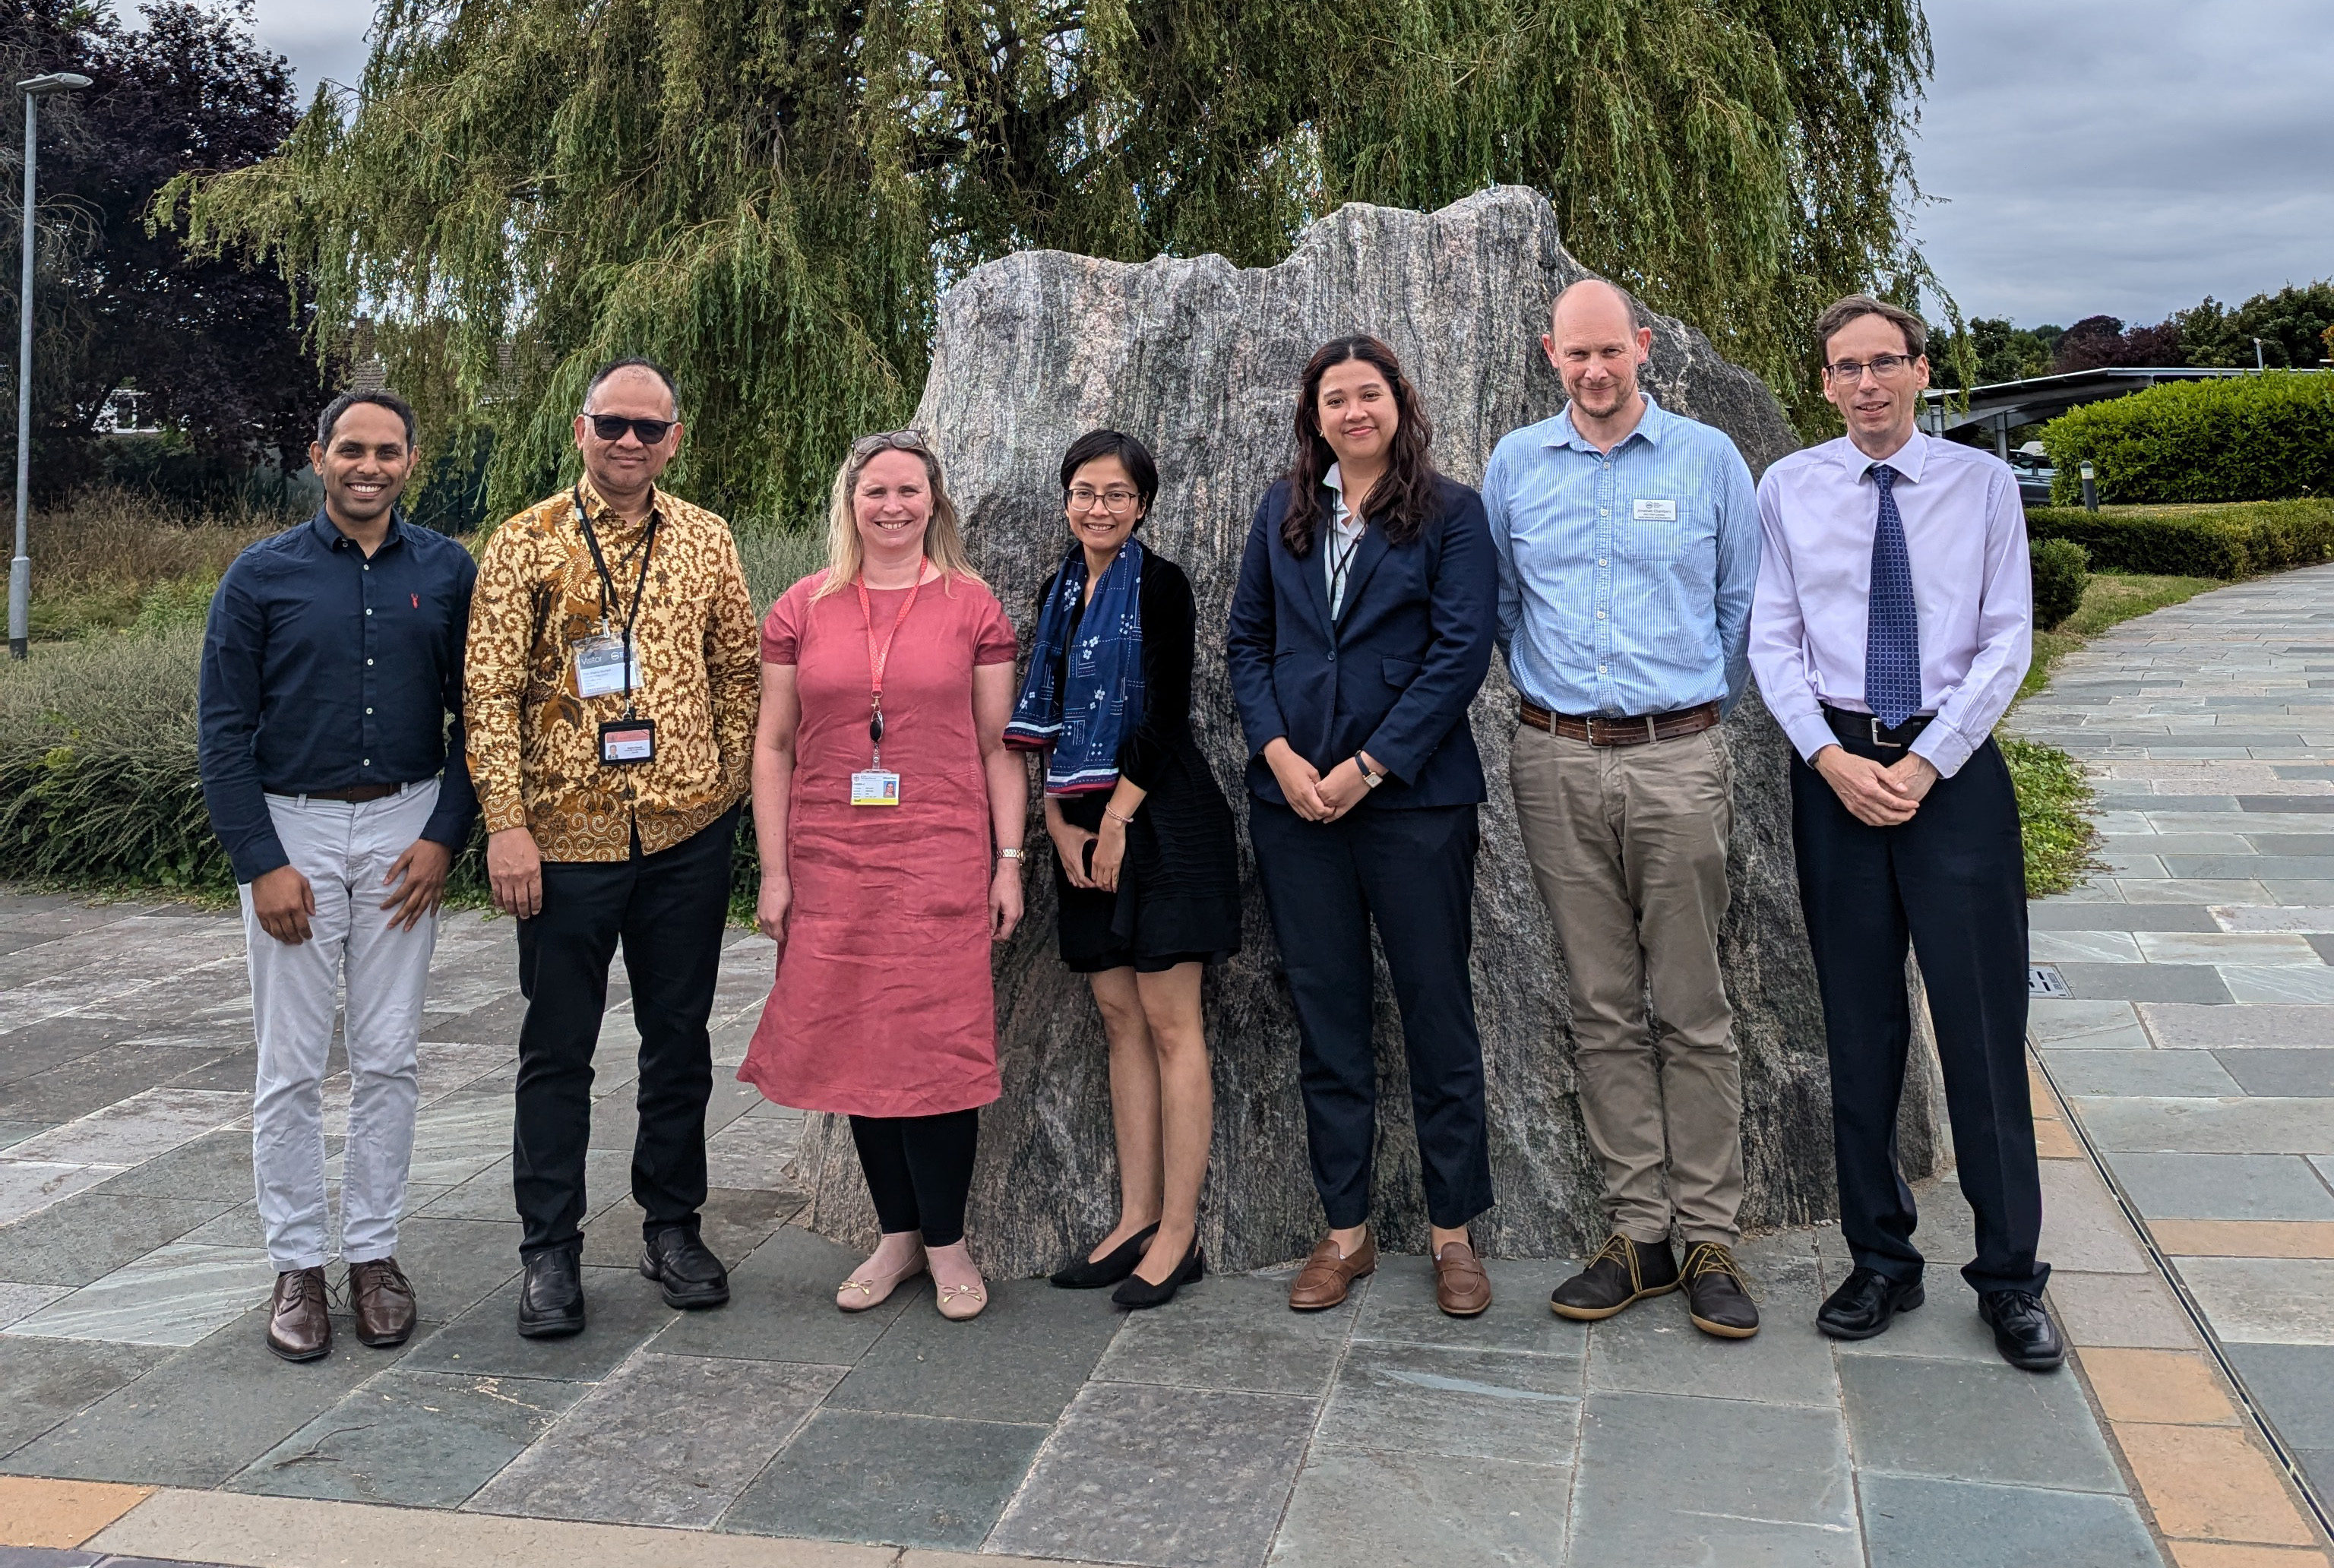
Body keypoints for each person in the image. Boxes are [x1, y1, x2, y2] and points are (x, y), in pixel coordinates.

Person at [1749, 295, 2064, 1371]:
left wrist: (1927, 762)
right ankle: (1880, 1258)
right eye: (1847, 367)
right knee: (1859, 1028)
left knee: (1980, 1031)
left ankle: (2011, 1276)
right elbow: (1773, 638)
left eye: (1887, 362)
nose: (1868, 383)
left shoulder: (1979, 487)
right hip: (1836, 768)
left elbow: (2006, 639)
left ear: (1923, 373)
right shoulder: (1788, 488)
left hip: (1954, 770)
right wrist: (1831, 759)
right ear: (1826, 383)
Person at [1483, 279, 1764, 1339]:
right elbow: (1506, 605)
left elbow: (1740, 602)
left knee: (1693, 1006)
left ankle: (1708, 1236)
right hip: (1554, 761)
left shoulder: (1707, 460)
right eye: (1574, 355)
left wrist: (1688, 713)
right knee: (1602, 1006)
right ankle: (1638, 1230)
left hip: (1677, 758)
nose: (1594, 372)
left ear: (1644, 347)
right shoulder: (1517, 464)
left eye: (1612, 351)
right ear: (1549, 354)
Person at [465, 357, 758, 1338]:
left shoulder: (710, 540)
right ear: (581, 428)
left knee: (679, 1043)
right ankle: (549, 1251)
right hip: (562, 843)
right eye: (613, 424)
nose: (629, 442)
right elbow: (489, 698)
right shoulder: (524, 544)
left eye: (648, 428)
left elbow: (741, 673)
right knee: (558, 1052)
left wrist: (726, 792)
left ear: (675, 439)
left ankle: (673, 1225)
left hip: (684, 833)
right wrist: (506, 825)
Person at [198, 388, 476, 1362]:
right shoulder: (260, 576)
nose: (369, 465)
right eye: (350, 449)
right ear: (318, 457)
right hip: (294, 829)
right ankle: (297, 1267)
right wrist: (260, 861)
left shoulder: (445, 571)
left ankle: (373, 1257)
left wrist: (446, 834)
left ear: (410, 460)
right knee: (291, 1064)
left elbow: (474, 721)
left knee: (392, 1056)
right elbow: (222, 731)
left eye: (387, 450)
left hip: (406, 826)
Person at [1226, 334, 1499, 1319]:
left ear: (1399, 405)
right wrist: (1281, 757)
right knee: (1328, 1020)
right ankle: (1346, 1233)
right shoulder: (1282, 509)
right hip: (1296, 809)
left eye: (1368, 394)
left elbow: (1461, 652)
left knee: (1437, 1015)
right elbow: (1247, 641)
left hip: (1414, 805)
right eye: (1335, 398)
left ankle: (1454, 1234)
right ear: (1315, 415)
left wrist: (1369, 765)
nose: (1353, 411)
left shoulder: (1453, 514)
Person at [739, 430, 1026, 1322]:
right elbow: (775, 746)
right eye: (876, 492)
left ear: (935, 503)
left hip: (939, 856)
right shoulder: (801, 608)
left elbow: (997, 747)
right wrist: (775, 872)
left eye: (910, 491)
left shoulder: (973, 608)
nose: (893, 507)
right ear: (850, 503)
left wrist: (1008, 862)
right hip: (831, 859)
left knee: (935, 1047)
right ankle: (896, 1236)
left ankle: (948, 1242)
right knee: (856, 1043)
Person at [1005, 430, 1242, 1310]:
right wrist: (1059, 824)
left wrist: (1112, 823)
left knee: (1172, 1020)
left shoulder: (1162, 585)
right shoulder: (1061, 589)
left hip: (1158, 817)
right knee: (1117, 1017)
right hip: (1083, 825)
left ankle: (1180, 1229)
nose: (1096, 507)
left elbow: (1170, 710)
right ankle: (1135, 1213)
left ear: (1142, 504)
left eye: (1114, 493)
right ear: (1065, 499)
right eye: (1082, 491)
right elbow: (1048, 714)